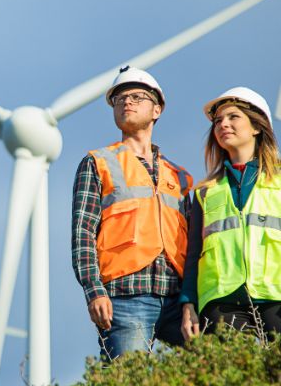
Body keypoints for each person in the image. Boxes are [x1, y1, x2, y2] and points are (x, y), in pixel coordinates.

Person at [72, 65, 193, 359]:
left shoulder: (179, 176)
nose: (127, 102)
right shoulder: (98, 163)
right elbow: (82, 234)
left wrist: (191, 301)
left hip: (177, 301)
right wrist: (94, 290)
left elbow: (194, 248)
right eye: (119, 98)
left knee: (215, 373)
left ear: (157, 109)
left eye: (137, 97)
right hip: (125, 296)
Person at [180, 87, 281, 340]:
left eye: (233, 117)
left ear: (257, 127)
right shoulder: (205, 192)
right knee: (231, 377)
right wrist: (188, 304)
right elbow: (193, 255)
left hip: (276, 295)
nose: (223, 124)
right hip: (221, 300)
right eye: (217, 121)